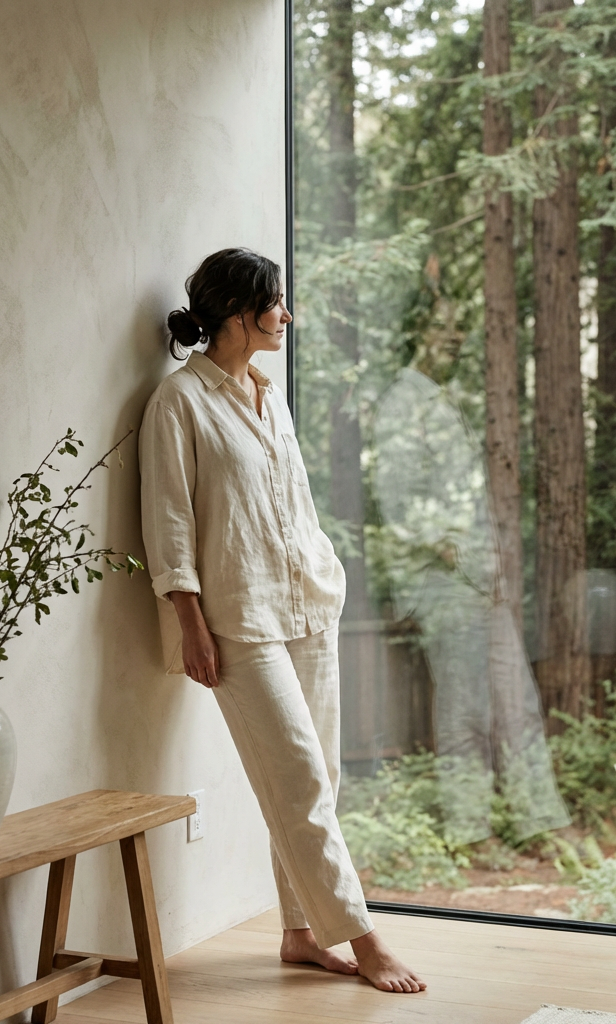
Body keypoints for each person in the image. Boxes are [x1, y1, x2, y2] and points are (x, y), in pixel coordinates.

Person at [139, 248, 425, 993]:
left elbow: (290, 503)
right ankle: (364, 940)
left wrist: (323, 567)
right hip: (239, 620)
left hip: (307, 604)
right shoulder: (180, 402)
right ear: (239, 315)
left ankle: (300, 933)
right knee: (297, 780)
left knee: (320, 777)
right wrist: (190, 623)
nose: (287, 315)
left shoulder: (269, 394)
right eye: (276, 304)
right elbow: (169, 522)